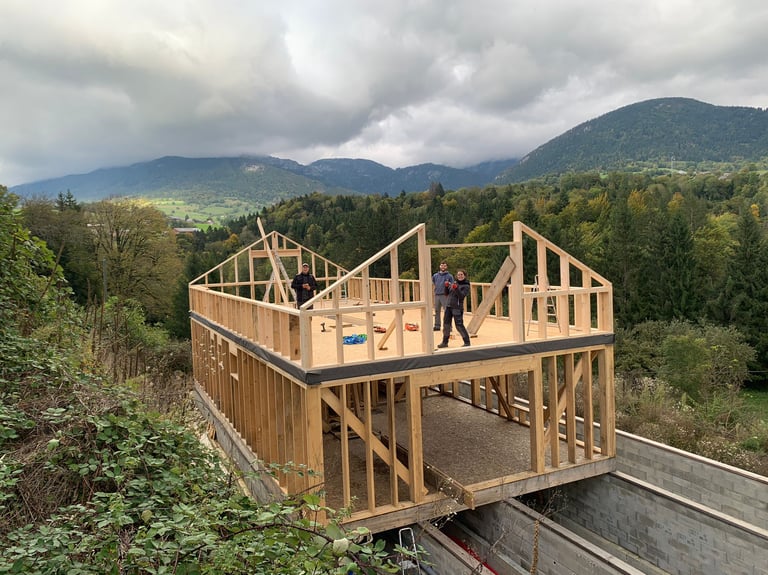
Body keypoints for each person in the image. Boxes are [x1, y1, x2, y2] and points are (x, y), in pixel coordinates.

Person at [437, 269, 470, 348]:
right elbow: (446, 293)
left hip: (457, 307)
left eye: (461, 275)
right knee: (446, 325)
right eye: (458, 275)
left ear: (465, 276)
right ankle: (445, 342)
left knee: (459, 325)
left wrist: (456, 288)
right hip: (449, 306)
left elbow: (461, 296)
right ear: (456, 276)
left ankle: (467, 342)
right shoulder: (454, 284)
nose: (460, 276)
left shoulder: (466, 285)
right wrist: (446, 286)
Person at [431, 261, 453, 331]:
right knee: (437, 311)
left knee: (447, 311)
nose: (443, 267)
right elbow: (433, 282)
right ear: (440, 266)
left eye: (444, 266)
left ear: (446, 267)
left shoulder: (449, 276)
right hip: (437, 294)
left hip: (445, 295)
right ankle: (437, 326)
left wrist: (449, 284)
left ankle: (448, 327)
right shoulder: (435, 275)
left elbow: (452, 285)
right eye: (442, 265)